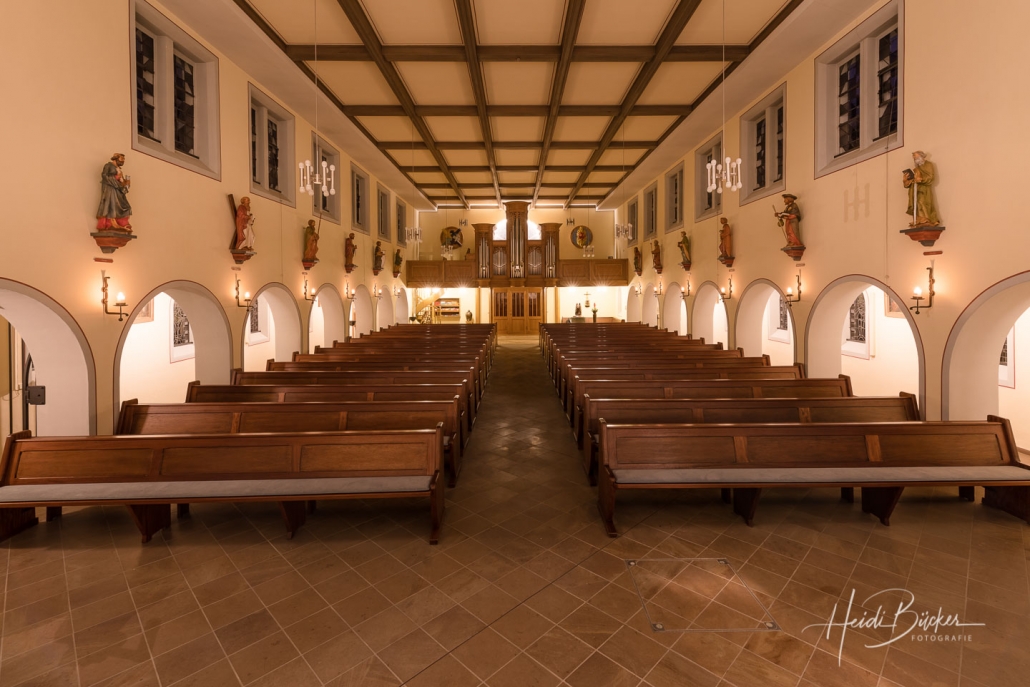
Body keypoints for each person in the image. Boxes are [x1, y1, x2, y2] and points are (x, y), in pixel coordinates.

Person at [903, 150, 941, 227]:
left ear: (921, 156)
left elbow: (931, 177)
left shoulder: (928, 165)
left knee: (922, 202)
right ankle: (918, 219)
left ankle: (926, 219)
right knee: (916, 204)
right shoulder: (916, 169)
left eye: (915, 157)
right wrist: (906, 180)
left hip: (924, 189)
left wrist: (921, 179)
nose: (914, 159)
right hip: (915, 189)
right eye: (914, 158)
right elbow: (912, 181)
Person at [96, 153, 132, 232]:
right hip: (110, 190)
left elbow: (121, 182)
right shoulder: (108, 166)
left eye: (124, 160)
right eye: (121, 159)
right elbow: (105, 176)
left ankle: (122, 223)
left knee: (126, 206)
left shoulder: (119, 169)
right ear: (115, 159)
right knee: (113, 205)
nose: (123, 162)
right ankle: (111, 223)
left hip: (118, 190)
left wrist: (126, 183)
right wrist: (116, 177)